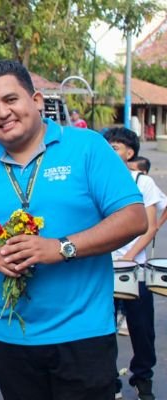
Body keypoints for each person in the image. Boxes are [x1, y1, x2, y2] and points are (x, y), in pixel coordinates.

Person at [0, 60, 146, 400]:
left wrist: (61, 247)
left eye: (11, 100)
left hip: (83, 335)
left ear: (37, 100)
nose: (2, 113)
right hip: (10, 339)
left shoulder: (87, 147)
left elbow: (133, 218)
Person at [104, 128, 162, 400]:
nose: (110, 151)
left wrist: (129, 257)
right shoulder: (98, 181)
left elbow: (149, 227)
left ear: (130, 153)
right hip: (103, 270)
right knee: (102, 328)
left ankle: (143, 379)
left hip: (135, 270)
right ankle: (108, 380)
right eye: (108, 146)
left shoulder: (143, 182)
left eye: (116, 147)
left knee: (141, 329)